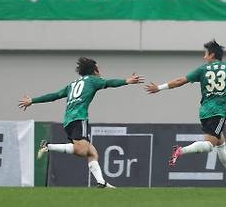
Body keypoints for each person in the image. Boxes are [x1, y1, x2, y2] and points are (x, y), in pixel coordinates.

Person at [145, 40, 226, 184]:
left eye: (205, 54)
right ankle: (181, 150)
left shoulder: (202, 69)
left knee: (221, 144)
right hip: (218, 112)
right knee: (210, 145)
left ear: (212, 55)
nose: (204, 57)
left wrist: (159, 87)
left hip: (204, 112)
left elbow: (180, 81)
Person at [18, 57, 144, 188]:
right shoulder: (93, 80)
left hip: (68, 121)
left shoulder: (72, 84)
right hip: (79, 118)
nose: (100, 70)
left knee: (92, 153)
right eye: (98, 68)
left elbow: (54, 95)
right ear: (94, 70)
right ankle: (48, 146)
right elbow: (109, 83)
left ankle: (101, 182)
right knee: (83, 150)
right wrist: (126, 81)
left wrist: (33, 100)